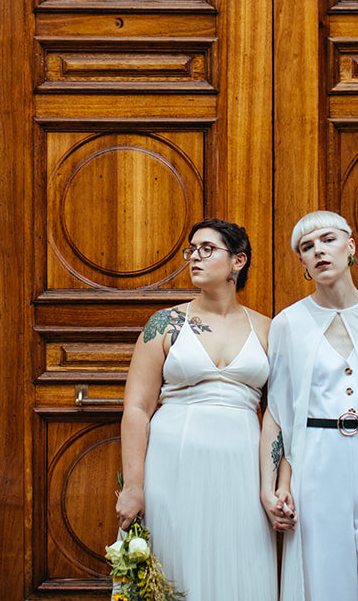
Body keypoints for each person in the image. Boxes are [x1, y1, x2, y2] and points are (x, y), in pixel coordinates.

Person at [115, 217, 277, 601]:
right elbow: (137, 407)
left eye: (207, 249)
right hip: (174, 463)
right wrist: (134, 487)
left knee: (241, 559)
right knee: (175, 557)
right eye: (192, 250)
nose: (194, 258)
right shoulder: (165, 324)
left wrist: (275, 486)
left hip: (241, 465)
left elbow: (280, 412)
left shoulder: (269, 329)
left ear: (238, 262)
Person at [262, 210, 358, 601]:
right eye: (307, 247)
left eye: (328, 240)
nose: (318, 251)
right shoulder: (288, 323)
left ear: (350, 246)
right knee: (323, 569)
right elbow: (280, 413)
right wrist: (277, 486)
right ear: (301, 262)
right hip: (317, 455)